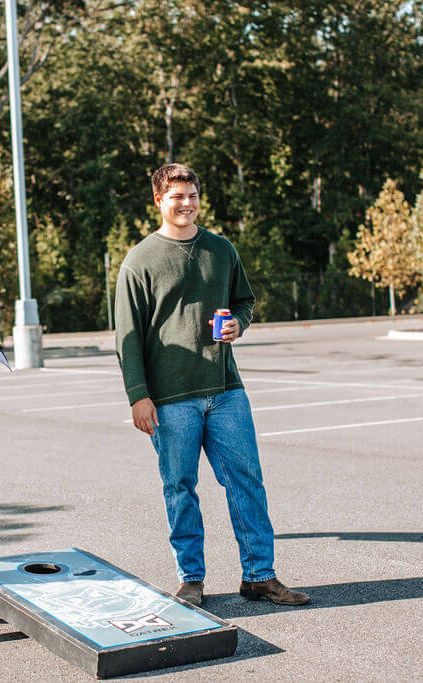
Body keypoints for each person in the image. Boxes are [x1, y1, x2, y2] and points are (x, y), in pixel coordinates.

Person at [114, 163, 309, 609]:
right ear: (159, 201)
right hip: (169, 397)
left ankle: (260, 576)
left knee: (247, 483)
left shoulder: (221, 249)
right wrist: (137, 396)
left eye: (192, 195)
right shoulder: (140, 260)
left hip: (225, 390)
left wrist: (238, 325)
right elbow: (126, 336)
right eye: (176, 196)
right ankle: (191, 579)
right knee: (179, 486)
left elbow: (244, 300)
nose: (186, 204)